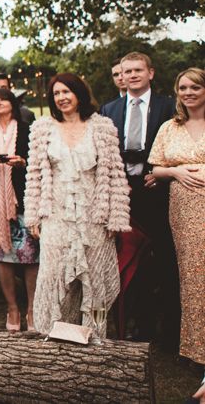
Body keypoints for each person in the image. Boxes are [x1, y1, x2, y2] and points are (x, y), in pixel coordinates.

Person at [25, 73, 130, 335]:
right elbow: (34, 175)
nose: (61, 98)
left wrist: (115, 218)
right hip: (55, 217)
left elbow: (116, 174)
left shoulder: (103, 127)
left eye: (66, 92)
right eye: (56, 94)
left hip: (93, 218)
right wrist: (34, 217)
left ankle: (94, 337)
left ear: (79, 94)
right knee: (52, 280)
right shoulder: (42, 128)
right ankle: (52, 336)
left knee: (96, 282)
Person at [100, 51, 177, 345]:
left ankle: (168, 329)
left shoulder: (167, 107)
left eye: (137, 70)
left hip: (158, 191)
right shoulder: (110, 109)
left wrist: (161, 173)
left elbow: (177, 145)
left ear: (150, 73)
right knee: (129, 260)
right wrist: (118, 183)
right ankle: (134, 325)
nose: (132, 75)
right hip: (123, 194)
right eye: (126, 71)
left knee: (164, 260)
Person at [148, 67, 205, 396]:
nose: (188, 92)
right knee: (192, 277)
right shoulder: (170, 127)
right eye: (183, 87)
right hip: (183, 212)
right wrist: (178, 171)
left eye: (195, 86)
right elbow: (156, 167)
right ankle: (197, 351)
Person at [0, 88, 38, 331]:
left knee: (31, 254)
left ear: (12, 103)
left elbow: (36, 163)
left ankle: (32, 308)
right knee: (2, 255)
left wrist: (21, 163)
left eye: (2, 98)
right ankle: (12, 308)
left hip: (22, 199)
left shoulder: (26, 130)